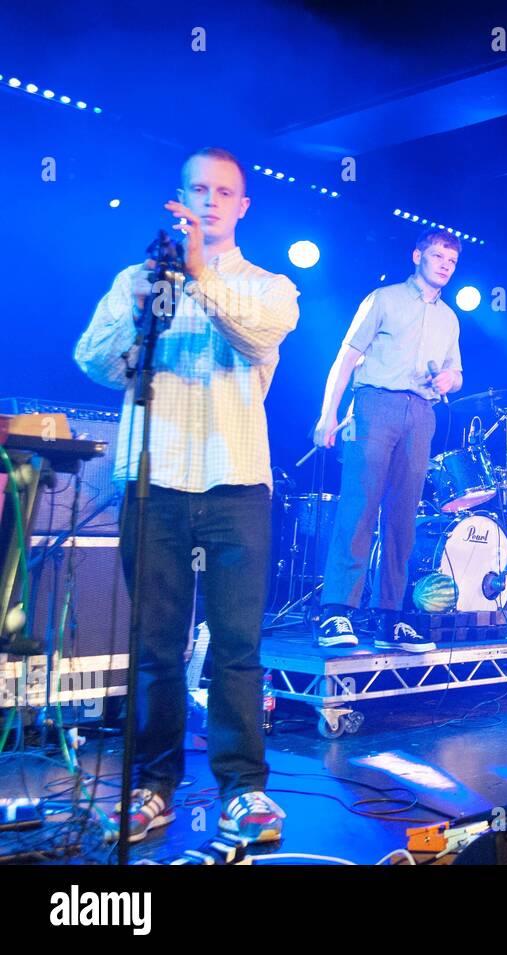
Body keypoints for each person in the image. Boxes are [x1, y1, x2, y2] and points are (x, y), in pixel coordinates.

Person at [75, 147, 298, 845]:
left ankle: (243, 789)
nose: (210, 200)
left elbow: (260, 337)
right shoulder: (139, 280)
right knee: (155, 648)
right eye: (197, 189)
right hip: (155, 477)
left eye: (223, 191)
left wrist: (201, 276)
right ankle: (152, 785)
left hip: (235, 479)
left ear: (242, 206)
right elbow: (94, 360)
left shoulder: (269, 285)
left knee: (236, 646)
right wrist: (139, 305)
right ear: (178, 196)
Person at [312, 229, 464, 652]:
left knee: (403, 516)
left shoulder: (450, 319)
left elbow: (457, 373)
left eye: (451, 261)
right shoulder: (383, 298)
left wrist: (452, 377)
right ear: (417, 255)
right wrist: (329, 413)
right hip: (374, 403)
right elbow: (346, 356)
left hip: (421, 413)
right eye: (437, 256)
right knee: (359, 502)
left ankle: (390, 616)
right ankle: (337, 611)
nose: (445, 265)